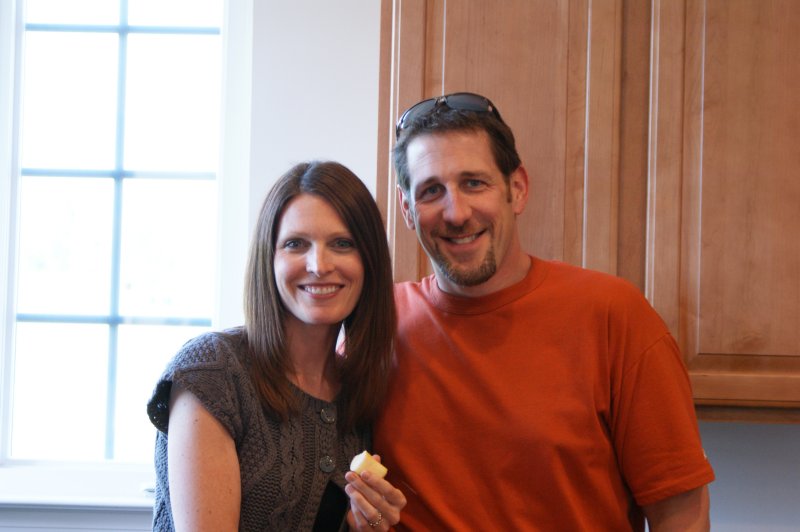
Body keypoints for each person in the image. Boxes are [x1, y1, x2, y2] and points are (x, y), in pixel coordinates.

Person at [374, 92, 715, 530]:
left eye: (474, 183)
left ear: (517, 189)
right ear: (407, 209)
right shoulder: (378, 326)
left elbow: (681, 515)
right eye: (431, 191)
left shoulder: (613, 316)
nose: (456, 213)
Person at [147, 161, 406, 531]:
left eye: (342, 244)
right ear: (268, 259)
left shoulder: (358, 396)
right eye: (295, 244)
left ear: (370, 261)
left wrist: (366, 526)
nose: (319, 265)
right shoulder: (211, 373)